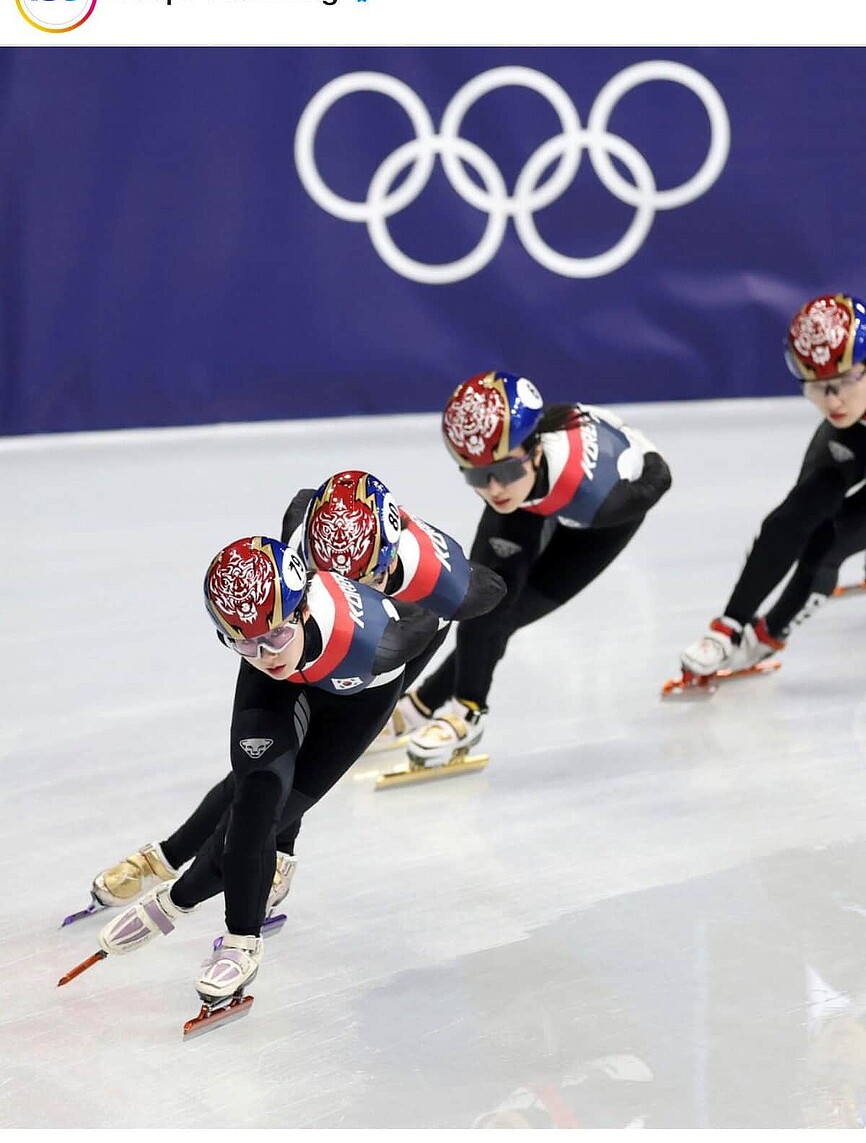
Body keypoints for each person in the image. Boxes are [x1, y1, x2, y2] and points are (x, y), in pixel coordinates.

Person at [93, 534, 445, 1008]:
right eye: (245, 644)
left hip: (356, 699)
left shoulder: (381, 640)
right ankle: (241, 935)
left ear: (302, 609)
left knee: (279, 808)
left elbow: (452, 608)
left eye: (274, 637)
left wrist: (173, 905)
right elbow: (301, 510)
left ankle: (195, 892)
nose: (266, 655)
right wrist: (270, 640)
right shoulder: (269, 646)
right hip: (283, 690)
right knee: (257, 793)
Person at [384, 370, 672, 770]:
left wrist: (645, 449)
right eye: (476, 475)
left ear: (535, 451)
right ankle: (426, 706)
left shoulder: (598, 494)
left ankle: (464, 715)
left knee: (510, 615)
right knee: (482, 605)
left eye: (504, 471)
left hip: (597, 524)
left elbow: (662, 478)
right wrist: (508, 474)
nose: (493, 489)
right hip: (532, 500)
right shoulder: (509, 466)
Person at [680, 293, 866, 679]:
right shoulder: (846, 410)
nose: (833, 401)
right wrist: (732, 621)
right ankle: (729, 629)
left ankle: (769, 634)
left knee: (830, 542)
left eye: (843, 383)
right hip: (856, 438)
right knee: (802, 511)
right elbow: (790, 525)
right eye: (816, 387)